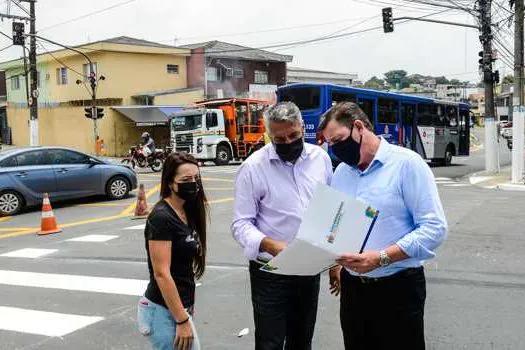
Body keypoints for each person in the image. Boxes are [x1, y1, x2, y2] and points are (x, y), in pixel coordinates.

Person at [319, 102, 447, 350]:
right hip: (354, 290)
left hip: (398, 288)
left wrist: (381, 258)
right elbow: (337, 226)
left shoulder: (407, 164)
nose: (335, 150)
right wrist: (332, 259)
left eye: (338, 140)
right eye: (330, 144)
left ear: (358, 127)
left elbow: (434, 228)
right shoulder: (342, 173)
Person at [232, 102, 333, 350]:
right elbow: (240, 223)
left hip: (309, 267)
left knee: (302, 339)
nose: (288, 142)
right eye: (280, 138)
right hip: (270, 270)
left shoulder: (320, 158)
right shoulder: (254, 167)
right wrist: (268, 244)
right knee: (270, 342)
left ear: (301, 128)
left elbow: (329, 209)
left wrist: (334, 262)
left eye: (294, 135)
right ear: (269, 135)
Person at [137, 152, 208, 350]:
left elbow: (183, 267)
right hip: (162, 311)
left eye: (196, 178)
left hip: (178, 307)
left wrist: (186, 307)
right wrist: (181, 320)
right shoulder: (161, 218)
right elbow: (161, 273)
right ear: (170, 183)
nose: (193, 184)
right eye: (186, 180)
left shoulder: (187, 210)